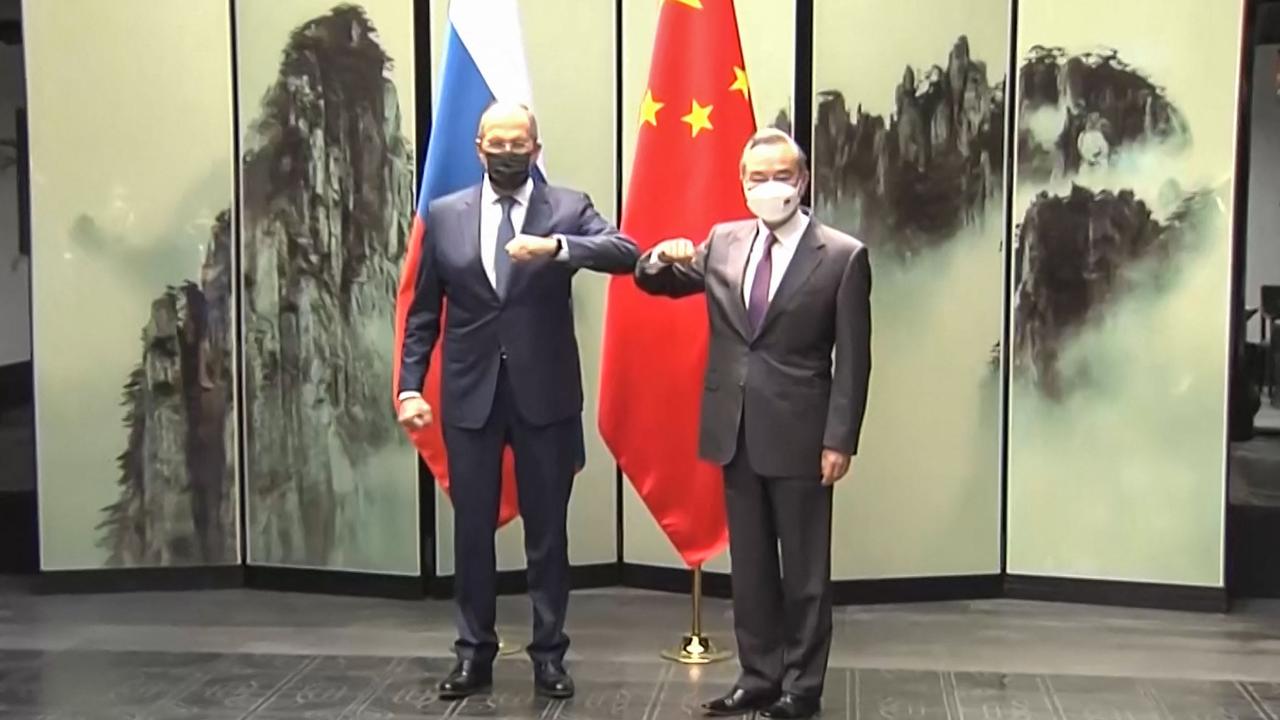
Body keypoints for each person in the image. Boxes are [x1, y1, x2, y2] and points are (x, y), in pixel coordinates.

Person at [397, 102, 638, 699]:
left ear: (535, 147)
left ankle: (549, 656)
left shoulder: (568, 207)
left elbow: (625, 251)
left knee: (548, 534)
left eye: (518, 142)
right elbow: (424, 312)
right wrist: (407, 386)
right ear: (479, 148)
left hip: (546, 395)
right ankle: (472, 653)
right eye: (496, 142)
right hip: (469, 396)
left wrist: (558, 248)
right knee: (472, 532)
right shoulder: (446, 214)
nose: (507, 151)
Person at [635, 128, 872, 720]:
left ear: (804, 180)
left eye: (781, 176)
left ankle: (801, 688)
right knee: (752, 569)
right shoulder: (723, 241)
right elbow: (656, 282)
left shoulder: (842, 256)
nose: (770, 187)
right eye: (757, 177)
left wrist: (839, 438)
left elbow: (854, 361)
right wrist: (659, 255)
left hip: (802, 434)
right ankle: (758, 676)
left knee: (806, 573)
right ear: (742, 184)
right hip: (734, 429)